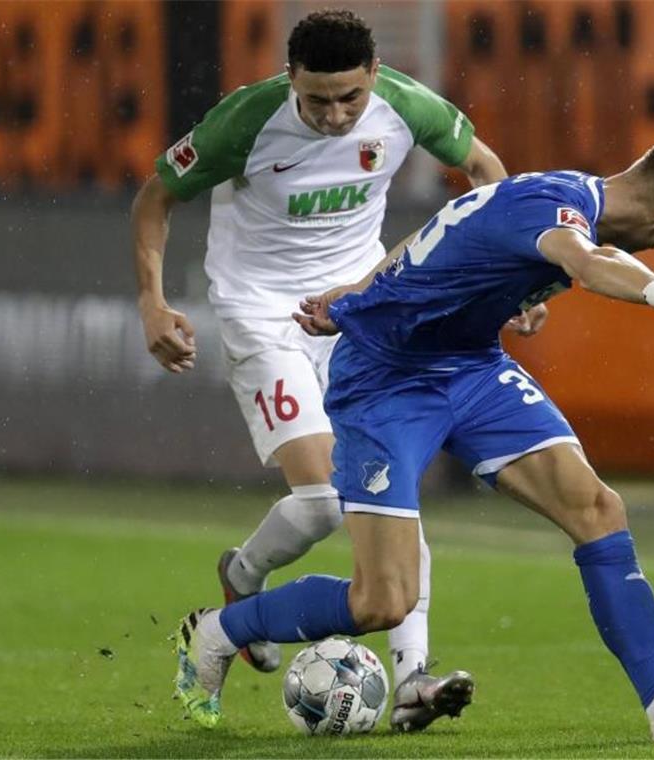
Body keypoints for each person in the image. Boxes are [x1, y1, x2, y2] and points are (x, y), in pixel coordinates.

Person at [172, 128, 654, 741]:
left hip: (472, 369)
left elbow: (436, 233)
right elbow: (591, 262)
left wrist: (362, 291)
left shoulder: (560, 199)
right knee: (382, 602)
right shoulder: (556, 213)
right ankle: (218, 633)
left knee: (598, 508)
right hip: (386, 381)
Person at [132, 9, 525, 731]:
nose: (336, 115)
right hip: (263, 315)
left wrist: (512, 278)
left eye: (350, 98)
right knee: (322, 502)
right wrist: (154, 304)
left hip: (360, 310)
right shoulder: (244, 122)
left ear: (374, 77)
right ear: (291, 82)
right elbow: (157, 196)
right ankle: (242, 581)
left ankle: (415, 677)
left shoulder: (406, 105)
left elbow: (487, 173)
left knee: (389, 492)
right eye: (317, 101)